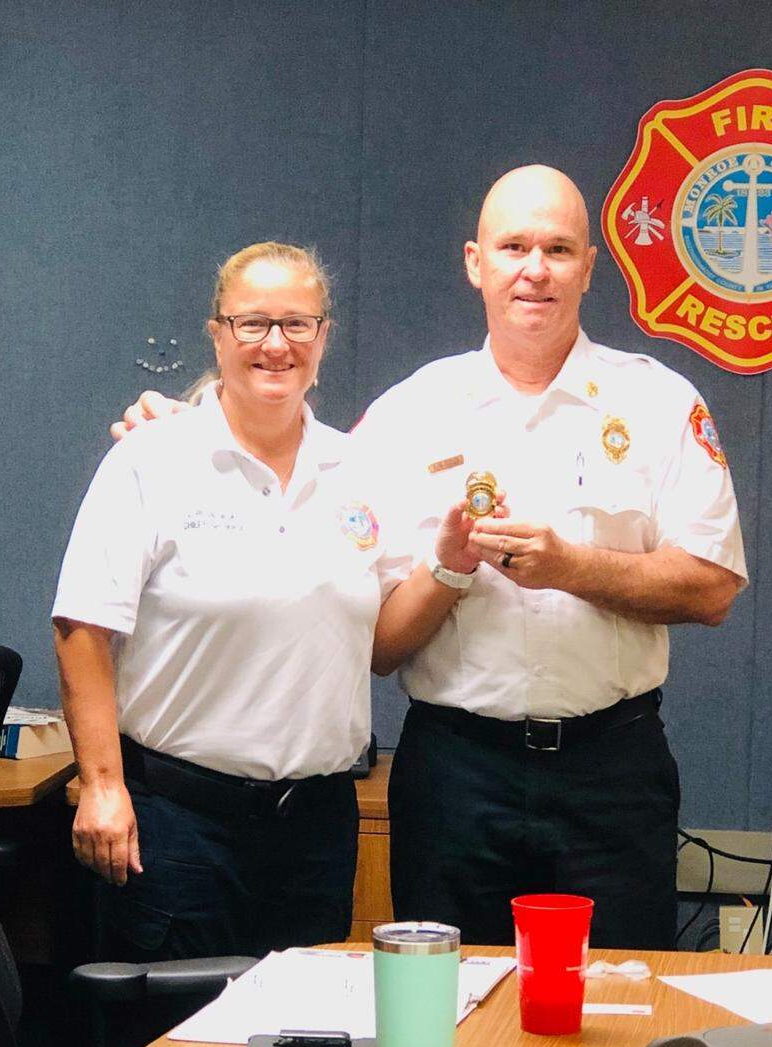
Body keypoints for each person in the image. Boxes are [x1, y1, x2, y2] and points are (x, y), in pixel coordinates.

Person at [112, 166, 747, 950]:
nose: (535, 270)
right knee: (447, 1007)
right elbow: (365, 632)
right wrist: (185, 429)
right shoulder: (406, 416)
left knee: (614, 1001)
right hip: (457, 773)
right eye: (514, 246)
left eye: (557, 249)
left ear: (589, 267)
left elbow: (714, 587)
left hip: (611, 772)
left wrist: (569, 568)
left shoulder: (658, 403)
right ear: (476, 263)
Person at [54, 241, 486, 961]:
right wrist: (101, 786)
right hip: (178, 824)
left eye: (297, 324)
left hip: (314, 829)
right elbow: (81, 629)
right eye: (252, 324)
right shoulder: (151, 460)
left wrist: (449, 568)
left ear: (323, 338)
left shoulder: (358, 470)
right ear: (218, 334)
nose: (275, 345)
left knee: (299, 1034)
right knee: (175, 1038)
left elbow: (376, 649)